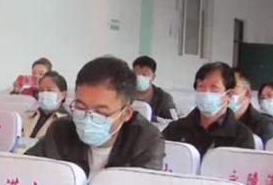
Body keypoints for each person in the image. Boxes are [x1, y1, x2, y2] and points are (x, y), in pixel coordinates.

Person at [27, 57, 163, 176]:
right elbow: (27, 168)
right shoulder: (61, 130)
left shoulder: (145, 141)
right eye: (80, 107)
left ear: (125, 114)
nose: (87, 118)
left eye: (100, 112)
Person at [161, 62, 255, 156]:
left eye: (214, 88)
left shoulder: (242, 136)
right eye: (201, 87)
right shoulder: (175, 129)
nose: (206, 93)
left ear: (229, 95)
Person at [229, 67, 273, 143]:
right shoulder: (215, 120)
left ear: (247, 94)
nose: (227, 92)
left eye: (232, 87)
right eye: (225, 87)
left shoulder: (263, 124)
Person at [23, 71, 69, 140]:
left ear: (63, 95)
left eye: (49, 90)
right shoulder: (28, 114)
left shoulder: (67, 122)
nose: (44, 94)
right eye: (41, 90)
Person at [131, 56, 177, 121]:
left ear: (153, 77)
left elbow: (174, 122)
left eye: (144, 74)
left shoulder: (164, 98)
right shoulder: (123, 94)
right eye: (136, 74)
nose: (139, 77)